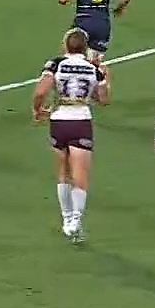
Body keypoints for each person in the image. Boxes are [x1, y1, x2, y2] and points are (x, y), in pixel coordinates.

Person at [32, 28, 110, 243]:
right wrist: (105, 78)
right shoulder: (93, 68)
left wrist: (37, 110)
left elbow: (40, 91)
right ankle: (76, 219)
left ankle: (66, 219)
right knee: (80, 175)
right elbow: (103, 99)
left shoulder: (55, 64)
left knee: (63, 172)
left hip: (59, 120)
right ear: (85, 47)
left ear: (66, 45)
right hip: (81, 121)